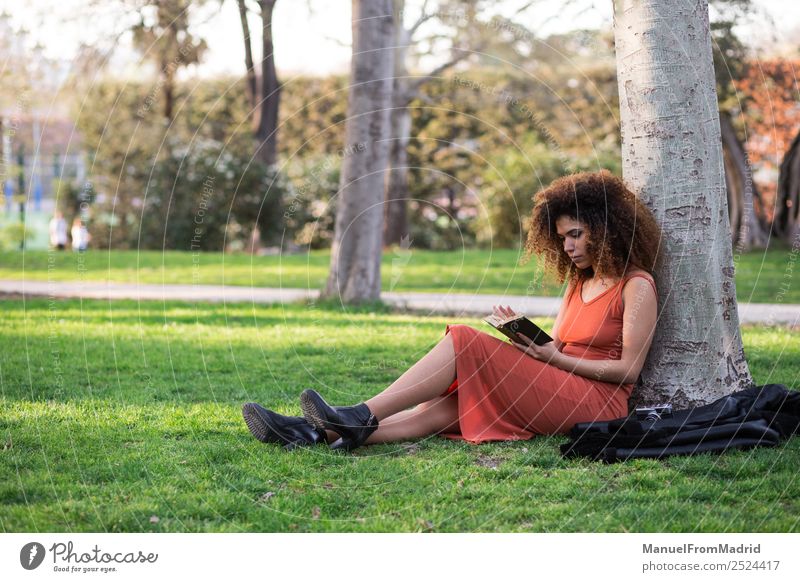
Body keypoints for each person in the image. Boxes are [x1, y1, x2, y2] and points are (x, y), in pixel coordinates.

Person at [242, 170, 661, 452]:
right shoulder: (580, 281)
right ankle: (316, 433)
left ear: (605, 230)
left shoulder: (637, 285)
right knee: (447, 407)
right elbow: (563, 346)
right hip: (560, 379)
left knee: (462, 339)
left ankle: (359, 413)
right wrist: (529, 340)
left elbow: (628, 371)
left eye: (576, 235)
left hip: (596, 403)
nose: (568, 247)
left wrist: (553, 356)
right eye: (562, 238)